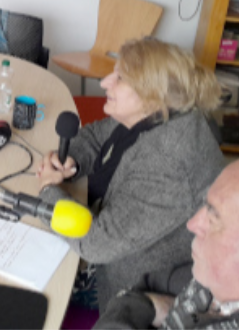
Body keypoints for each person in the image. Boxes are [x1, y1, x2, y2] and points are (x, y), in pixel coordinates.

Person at [37, 38, 225, 311]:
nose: (104, 82)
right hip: (113, 245)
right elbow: (94, 135)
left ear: (153, 93)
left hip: (127, 289)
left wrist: (47, 193)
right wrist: (71, 162)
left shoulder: (168, 161)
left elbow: (95, 243)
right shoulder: (157, 113)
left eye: (120, 78)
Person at [94, 153, 239, 329]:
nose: (192, 224)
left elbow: (135, 296)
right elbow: (150, 282)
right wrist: (143, 303)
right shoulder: (221, 271)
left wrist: (140, 305)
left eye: (213, 217)